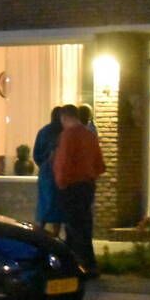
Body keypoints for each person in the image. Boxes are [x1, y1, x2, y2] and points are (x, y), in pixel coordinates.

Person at [52, 104, 106, 277]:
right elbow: (99, 164)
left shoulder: (68, 136)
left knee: (74, 226)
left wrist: (61, 183)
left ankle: (80, 265)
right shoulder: (89, 135)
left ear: (64, 118)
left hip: (72, 186)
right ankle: (82, 263)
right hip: (87, 185)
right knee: (83, 224)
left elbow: (63, 162)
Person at [32, 106, 65, 237]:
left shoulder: (43, 132)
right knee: (57, 204)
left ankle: (40, 233)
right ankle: (55, 235)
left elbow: (36, 154)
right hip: (59, 172)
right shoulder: (63, 132)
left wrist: (44, 164)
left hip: (46, 173)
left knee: (45, 202)